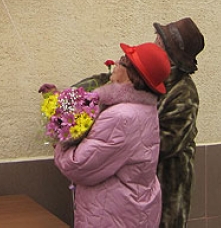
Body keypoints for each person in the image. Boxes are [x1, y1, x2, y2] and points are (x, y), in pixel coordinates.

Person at [70, 17, 205, 228]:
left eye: (160, 40)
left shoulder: (184, 93)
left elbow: (162, 144)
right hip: (127, 189)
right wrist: (66, 100)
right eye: (158, 37)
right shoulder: (143, 74)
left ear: (171, 53)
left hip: (165, 185)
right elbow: (104, 82)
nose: (154, 42)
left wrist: (105, 139)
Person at [54, 42, 171, 228]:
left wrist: (61, 142)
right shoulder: (144, 108)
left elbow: (78, 165)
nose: (116, 63)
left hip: (111, 215)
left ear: (132, 75)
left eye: (123, 60)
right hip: (131, 210)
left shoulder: (121, 116)